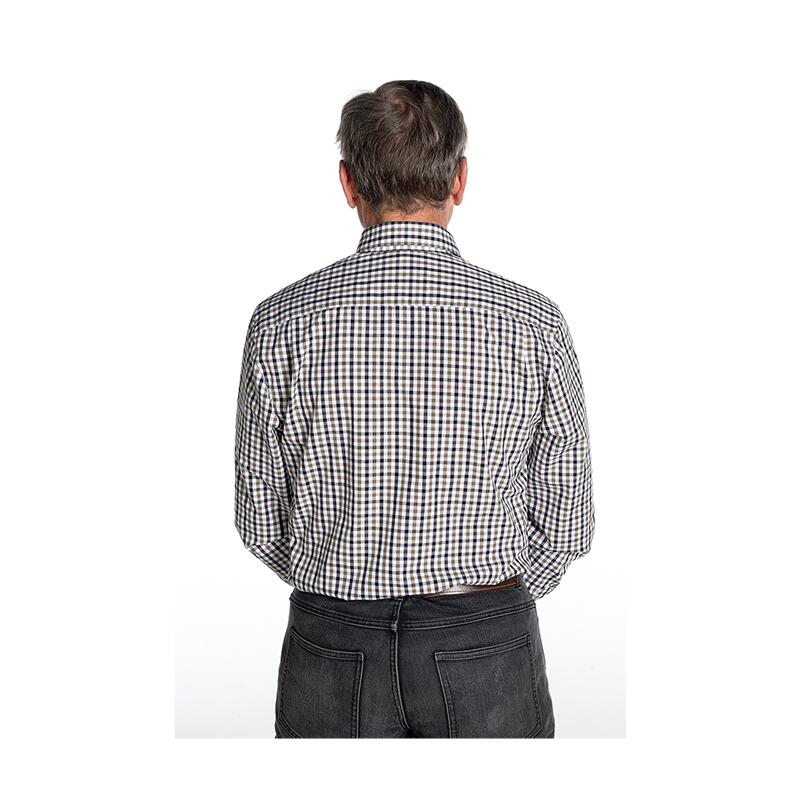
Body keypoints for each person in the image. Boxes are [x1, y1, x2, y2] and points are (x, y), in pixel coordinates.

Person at [234, 80, 595, 738]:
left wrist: (340, 580)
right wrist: (492, 596)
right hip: (485, 634)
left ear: (347, 183)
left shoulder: (280, 321)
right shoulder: (532, 323)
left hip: (332, 635)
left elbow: (260, 519)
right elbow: (567, 521)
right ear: (460, 180)